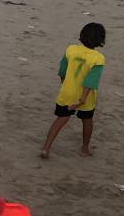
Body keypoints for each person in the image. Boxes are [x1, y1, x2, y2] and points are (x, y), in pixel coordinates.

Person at [40, 22, 106, 158]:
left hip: (68, 92)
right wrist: (82, 99)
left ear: (81, 35)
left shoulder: (70, 49)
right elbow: (91, 81)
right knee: (87, 119)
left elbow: (62, 70)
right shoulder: (98, 59)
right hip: (86, 97)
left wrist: (64, 83)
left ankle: (46, 148)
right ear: (101, 40)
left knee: (61, 118)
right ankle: (85, 148)